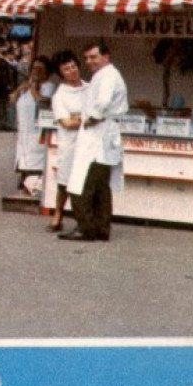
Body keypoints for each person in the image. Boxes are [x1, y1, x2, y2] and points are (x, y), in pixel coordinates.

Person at [62, 38, 127, 242]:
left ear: (106, 56)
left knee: (83, 183)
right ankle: (101, 228)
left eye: (94, 57)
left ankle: (86, 227)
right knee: (100, 186)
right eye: (87, 58)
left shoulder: (107, 76)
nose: (90, 61)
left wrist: (92, 117)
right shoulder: (104, 75)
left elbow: (103, 101)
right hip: (103, 135)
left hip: (99, 133)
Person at [11, 55, 51, 196]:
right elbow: (13, 99)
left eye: (40, 69)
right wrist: (23, 88)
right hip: (24, 134)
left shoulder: (48, 87)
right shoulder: (28, 86)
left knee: (35, 165)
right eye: (33, 68)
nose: (36, 71)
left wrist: (33, 88)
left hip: (37, 135)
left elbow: (44, 104)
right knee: (24, 162)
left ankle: (34, 189)